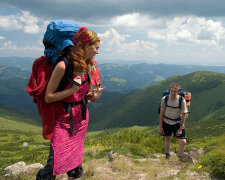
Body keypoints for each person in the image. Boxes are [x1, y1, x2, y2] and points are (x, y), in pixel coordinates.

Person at [36, 27, 103, 179]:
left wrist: (94, 96)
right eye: (96, 48)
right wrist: (72, 90)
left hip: (81, 118)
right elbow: (49, 96)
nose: (98, 52)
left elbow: (86, 96)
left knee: (76, 161)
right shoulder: (63, 66)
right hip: (62, 118)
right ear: (85, 46)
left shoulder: (90, 66)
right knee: (54, 163)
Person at [159, 83, 187, 159]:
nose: (173, 93)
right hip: (166, 121)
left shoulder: (182, 100)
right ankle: (167, 155)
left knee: (183, 142)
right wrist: (161, 126)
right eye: (171, 91)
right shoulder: (165, 98)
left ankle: (179, 157)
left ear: (178, 92)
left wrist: (181, 128)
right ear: (170, 90)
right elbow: (161, 113)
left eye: (175, 91)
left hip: (177, 122)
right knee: (167, 138)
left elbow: (184, 115)